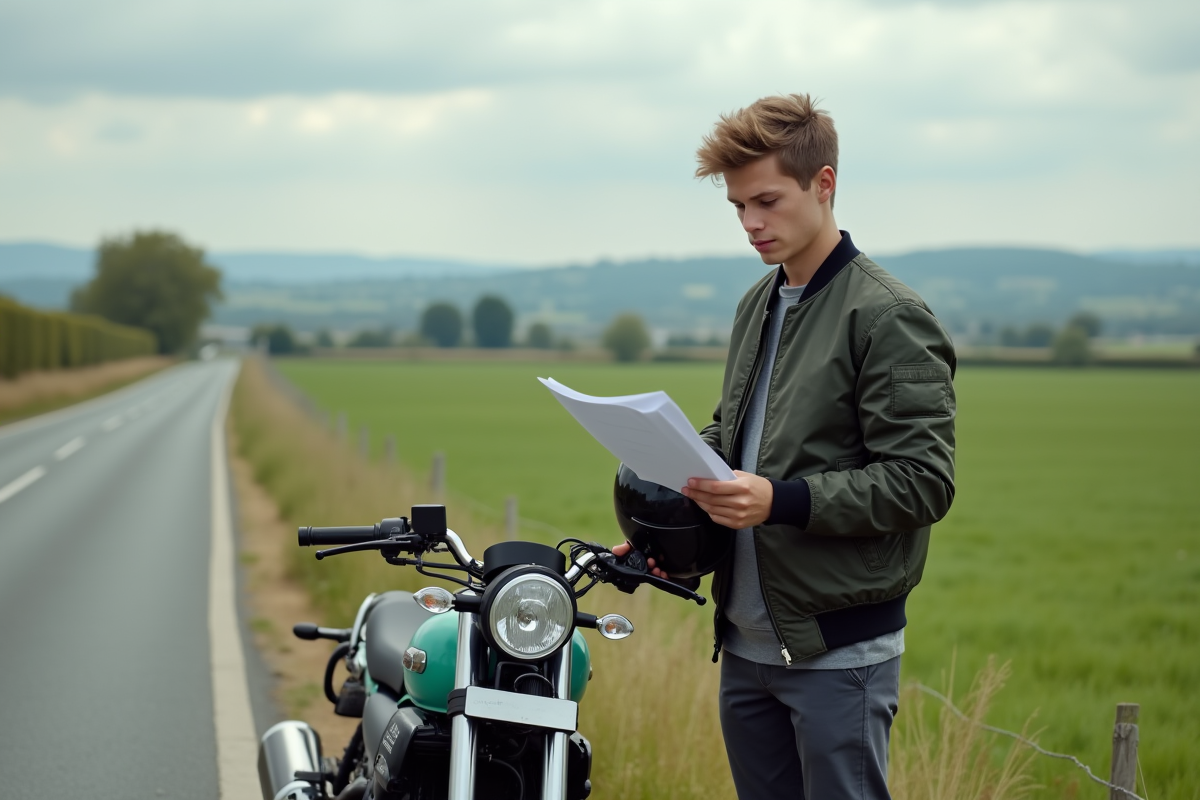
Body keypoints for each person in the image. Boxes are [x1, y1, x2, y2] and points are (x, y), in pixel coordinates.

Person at [617, 94, 956, 799]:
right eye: (738, 207)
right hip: (743, 646)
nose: (751, 224)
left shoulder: (890, 317)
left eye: (766, 201)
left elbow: (923, 482)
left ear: (823, 185)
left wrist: (781, 500)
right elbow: (731, 440)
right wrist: (667, 531)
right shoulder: (757, 303)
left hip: (838, 653)